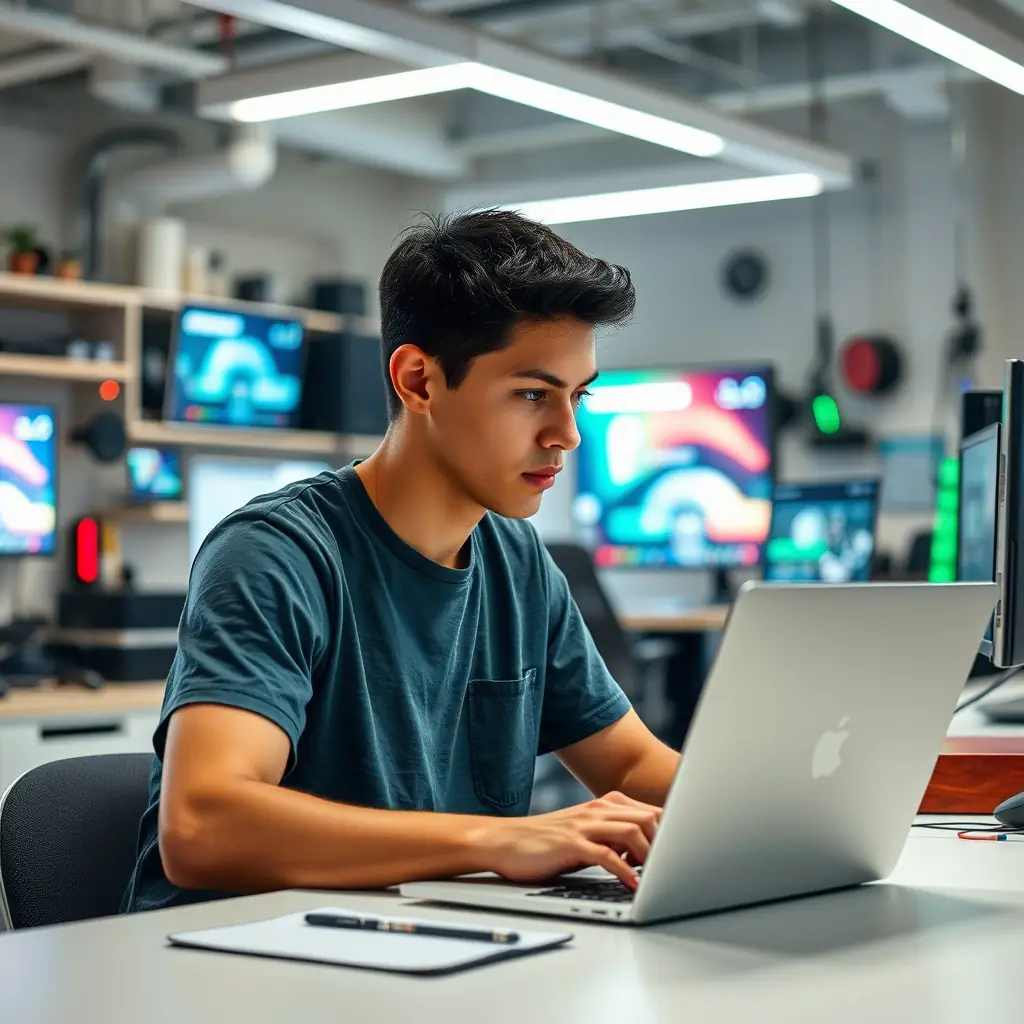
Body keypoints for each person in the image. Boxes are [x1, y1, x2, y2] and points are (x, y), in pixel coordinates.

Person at [122, 209, 681, 913]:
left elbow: (630, 763)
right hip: (233, 967)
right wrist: (495, 841)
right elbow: (204, 827)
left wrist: (777, 822)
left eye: (577, 396)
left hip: (412, 940)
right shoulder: (276, 555)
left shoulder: (518, 563)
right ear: (418, 381)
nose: (566, 434)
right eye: (533, 394)